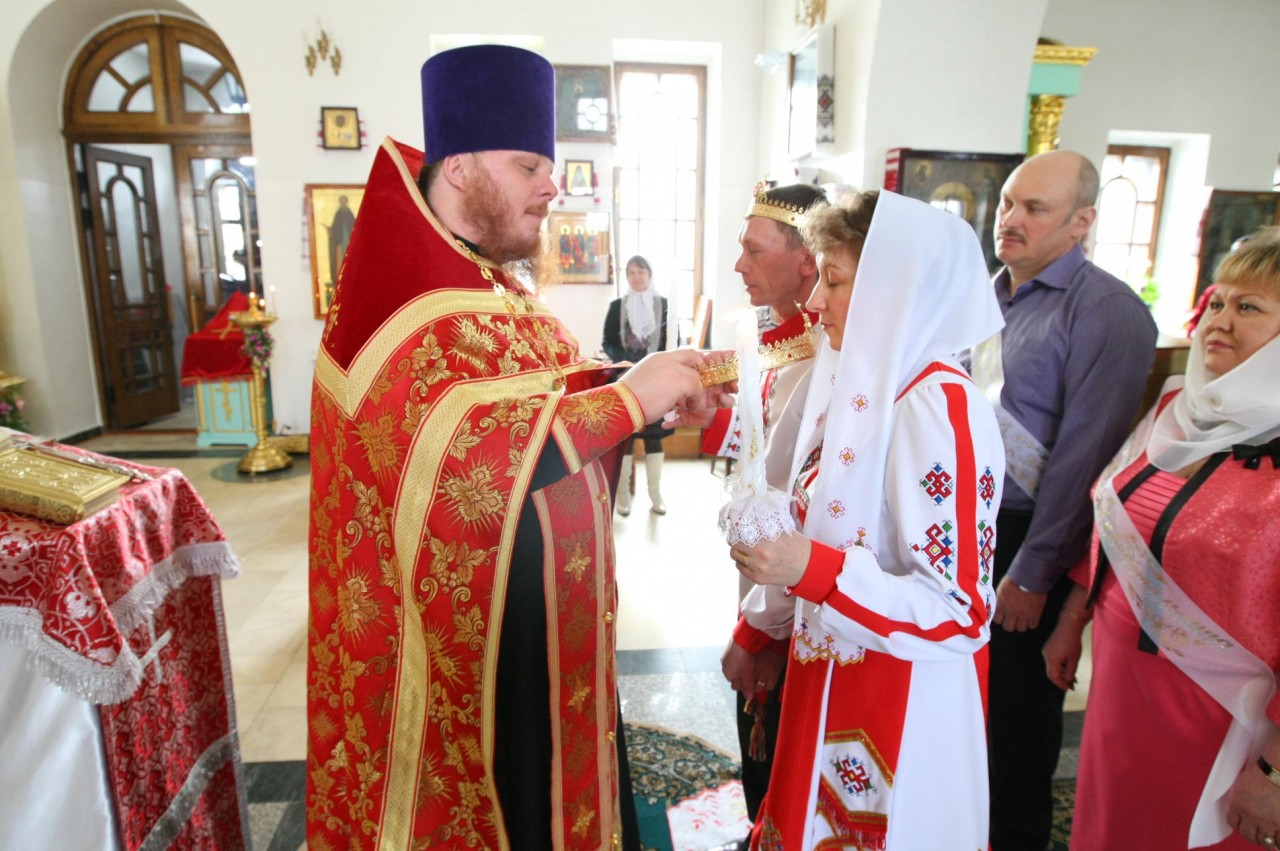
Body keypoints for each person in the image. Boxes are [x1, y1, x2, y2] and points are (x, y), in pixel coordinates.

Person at [305, 45, 729, 850]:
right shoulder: (397, 303)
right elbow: (459, 462)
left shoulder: (492, 283)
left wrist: (648, 382)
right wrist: (629, 397)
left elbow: (547, 395)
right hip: (465, 671)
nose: (552, 184)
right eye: (529, 163)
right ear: (460, 168)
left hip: (542, 643)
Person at [728, 189, 1006, 848]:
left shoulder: (940, 406)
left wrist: (811, 569)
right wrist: (761, 625)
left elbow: (960, 606)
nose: (815, 302)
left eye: (836, 280)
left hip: (901, 699)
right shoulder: (866, 387)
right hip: (834, 669)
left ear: (899, 289)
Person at [1043, 227, 1280, 850]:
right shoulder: (1178, 410)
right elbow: (1114, 521)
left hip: (1222, 714)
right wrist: (1074, 618)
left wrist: (1274, 773)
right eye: (1219, 302)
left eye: (1249, 307)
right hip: (1123, 685)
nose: (1220, 320)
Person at [975, 149, 1158, 851]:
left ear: (1081, 222)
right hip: (968, 532)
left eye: (1035, 208)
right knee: (967, 708)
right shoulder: (987, 295)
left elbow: (1088, 458)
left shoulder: (1109, 312)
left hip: (1028, 544)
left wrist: (1033, 572)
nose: (1012, 220)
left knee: (1016, 726)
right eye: (1009, 204)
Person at [709, 181, 827, 826]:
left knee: (774, 735)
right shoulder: (783, 337)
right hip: (769, 576)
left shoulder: (823, 351)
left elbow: (793, 499)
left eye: (754, 250)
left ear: (807, 258)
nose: (739, 265)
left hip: (790, 590)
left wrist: (758, 628)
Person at [602, 255, 673, 515]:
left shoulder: (664, 305)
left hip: (657, 381)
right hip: (625, 379)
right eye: (631, 272)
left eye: (641, 271)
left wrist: (659, 365)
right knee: (626, 437)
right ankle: (623, 497)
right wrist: (623, 363)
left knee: (654, 437)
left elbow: (673, 339)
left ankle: (655, 495)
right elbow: (607, 341)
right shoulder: (616, 306)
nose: (636, 276)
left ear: (649, 273)